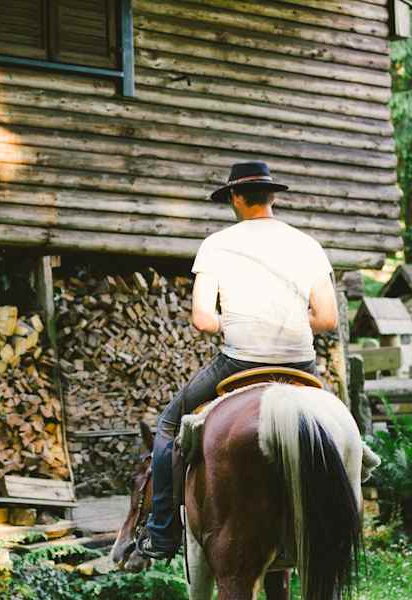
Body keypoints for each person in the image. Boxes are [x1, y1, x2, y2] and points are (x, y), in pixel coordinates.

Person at [136, 161, 339, 560]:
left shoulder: (216, 244)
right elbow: (327, 318)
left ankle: (161, 531)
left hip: (239, 362)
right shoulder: (308, 244)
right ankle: (356, 480)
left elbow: (202, 320)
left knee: (166, 427)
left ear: (235, 198)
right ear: (272, 196)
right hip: (300, 364)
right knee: (336, 427)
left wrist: (232, 323)